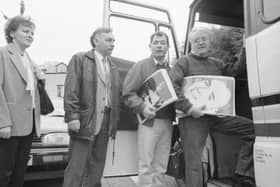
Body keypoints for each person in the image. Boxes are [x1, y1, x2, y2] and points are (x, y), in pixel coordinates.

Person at [169, 27, 255, 187]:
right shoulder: (183, 62)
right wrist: (189, 108)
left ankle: (242, 175)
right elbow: (172, 87)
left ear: (209, 42)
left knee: (252, 130)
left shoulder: (216, 63)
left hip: (217, 116)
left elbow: (236, 72)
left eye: (204, 39)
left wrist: (245, 47)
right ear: (191, 43)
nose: (201, 42)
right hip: (192, 119)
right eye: (196, 40)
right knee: (193, 163)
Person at [63, 27, 121, 187]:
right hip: (85, 120)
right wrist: (73, 116)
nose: (113, 43)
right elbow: (71, 89)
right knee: (77, 167)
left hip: (106, 121)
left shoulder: (113, 66)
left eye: (114, 40)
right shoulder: (80, 59)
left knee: (97, 166)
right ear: (96, 41)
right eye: (109, 40)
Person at [123, 31, 175, 187]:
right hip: (148, 123)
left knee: (161, 165)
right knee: (146, 165)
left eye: (163, 43)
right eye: (156, 42)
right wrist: (142, 107)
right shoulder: (141, 66)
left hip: (167, 122)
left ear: (168, 47)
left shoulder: (172, 70)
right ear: (150, 46)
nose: (159, 46)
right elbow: (127, 93)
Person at [0, 15, 42, 187]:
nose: (30, 35)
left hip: (28, 124)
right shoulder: (3, 53)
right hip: (9, 125)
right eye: (25, 31)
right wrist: (3, 122)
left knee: (19, 173)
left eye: (32, 32)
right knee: (4, 174)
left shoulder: (29, 59)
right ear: (11, 33)